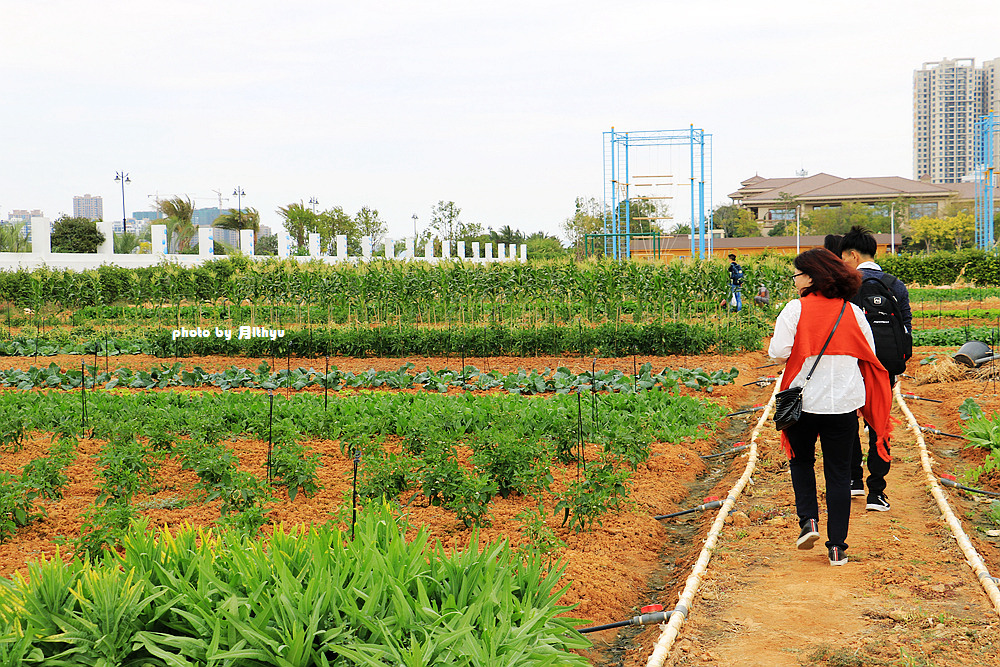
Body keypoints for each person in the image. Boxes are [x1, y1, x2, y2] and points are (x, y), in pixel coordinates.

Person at [769, 248, 892, 566]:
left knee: (801, 463)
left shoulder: (795, 310)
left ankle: (808, 522)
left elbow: (778, 352)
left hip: (802, 402)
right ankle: (837, 547)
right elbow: (869, 352)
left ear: (811, 277)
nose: (795, 280)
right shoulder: (853, 313)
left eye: (797, 274)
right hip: (843, 404)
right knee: (838, 474)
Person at [839, 225, 912, 512]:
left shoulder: (846, 285)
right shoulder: (895, 284)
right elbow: (906, 328)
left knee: (849, 422)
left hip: (853, 365)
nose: (842, 263)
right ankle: (877, 493)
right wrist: (898, 364)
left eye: (844, 257)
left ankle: (854, 480)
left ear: (853, 255)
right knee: (878, 425)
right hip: (884, 369)